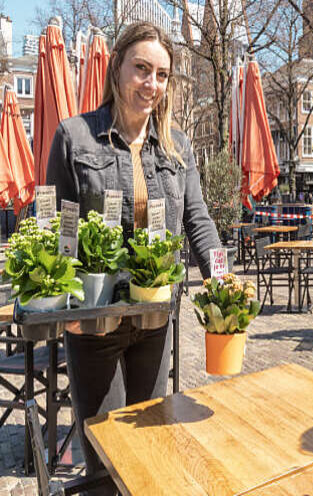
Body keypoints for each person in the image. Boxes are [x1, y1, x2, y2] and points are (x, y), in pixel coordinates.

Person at [46, 22, 221, 494]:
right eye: (141, 69)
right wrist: (58, 299)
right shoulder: (74, 137)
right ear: (116, 67)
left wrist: (222, 278)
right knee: (104, 461)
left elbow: (198, 220)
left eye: (162, 75)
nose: (151, 84)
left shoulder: (177, 147)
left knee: (148, 454)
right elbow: (56, 232)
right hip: (94, 321)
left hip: (154, 321)